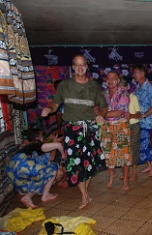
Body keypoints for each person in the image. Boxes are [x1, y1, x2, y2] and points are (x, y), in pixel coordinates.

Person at [41, 54, 107, 209]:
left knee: (89, 164)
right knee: (76, 164)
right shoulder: (64, 86)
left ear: (87, 66)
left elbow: (104, 108)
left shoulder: (94, 87)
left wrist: (101, 116)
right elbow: (55, 104)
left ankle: (85, 193)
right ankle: (84, 195)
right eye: (77, 65)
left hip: (90, 128)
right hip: (72, 129)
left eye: (82, 64)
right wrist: (48, 109)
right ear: (72, 67)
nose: (80, 67)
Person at [6, 127, 65, 209]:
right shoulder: (37, 145)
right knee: (52, 168)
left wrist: (53, 142)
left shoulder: (28, 147)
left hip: (12, 170)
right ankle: (45, 195)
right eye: (42, 136)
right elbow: (51, 158)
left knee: (40, 173)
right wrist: (61, 151)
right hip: (25, 167)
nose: (43, 137)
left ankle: (26, 194)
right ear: (37, 138)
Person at [98, 71, 132, 190]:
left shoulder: (123, 93)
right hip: (106, 127)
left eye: (113, 79)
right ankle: (112, 173)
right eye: (109, 79)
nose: (111, 81)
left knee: (123, 155)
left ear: (118, 80)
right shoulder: (103, 94)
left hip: (120, 126)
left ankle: (126, 180)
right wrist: (100, 114)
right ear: (106, 81)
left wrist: (102, 114)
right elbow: (96, 109)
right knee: (105, 152)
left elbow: (119, 112)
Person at [133, 65, 152, 177]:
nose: (134, 75)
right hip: (139, 121)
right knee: (144, 143)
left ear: (142, 74)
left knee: (145, 145)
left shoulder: (150, 88)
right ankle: (149, 165)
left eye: (136, 73)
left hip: (147, 121)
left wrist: (143, 115)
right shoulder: (137, 87)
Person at [120, 78, 140, 181]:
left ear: (127, 87)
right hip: (122, 125)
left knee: (133, 148)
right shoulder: (117, 99)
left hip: (133, 125)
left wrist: (129, 115)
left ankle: (134, 172)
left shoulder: (133, 97)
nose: (122, 91)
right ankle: (125, 173)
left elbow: (138, 114)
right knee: (124, 150)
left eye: (123, 88)